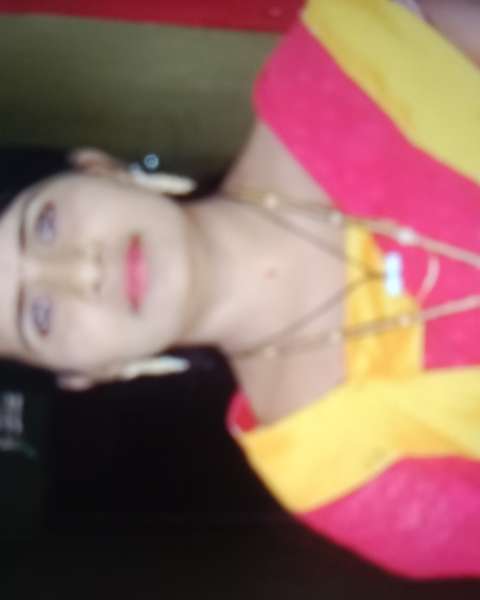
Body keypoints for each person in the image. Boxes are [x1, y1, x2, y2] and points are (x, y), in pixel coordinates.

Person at [2, 0, 480, 580]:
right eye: (39, 314)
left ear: (97, 169)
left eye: (44, 225)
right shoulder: (332, 469)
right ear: (88, 374)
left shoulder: (345, 54)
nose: (82, 271)